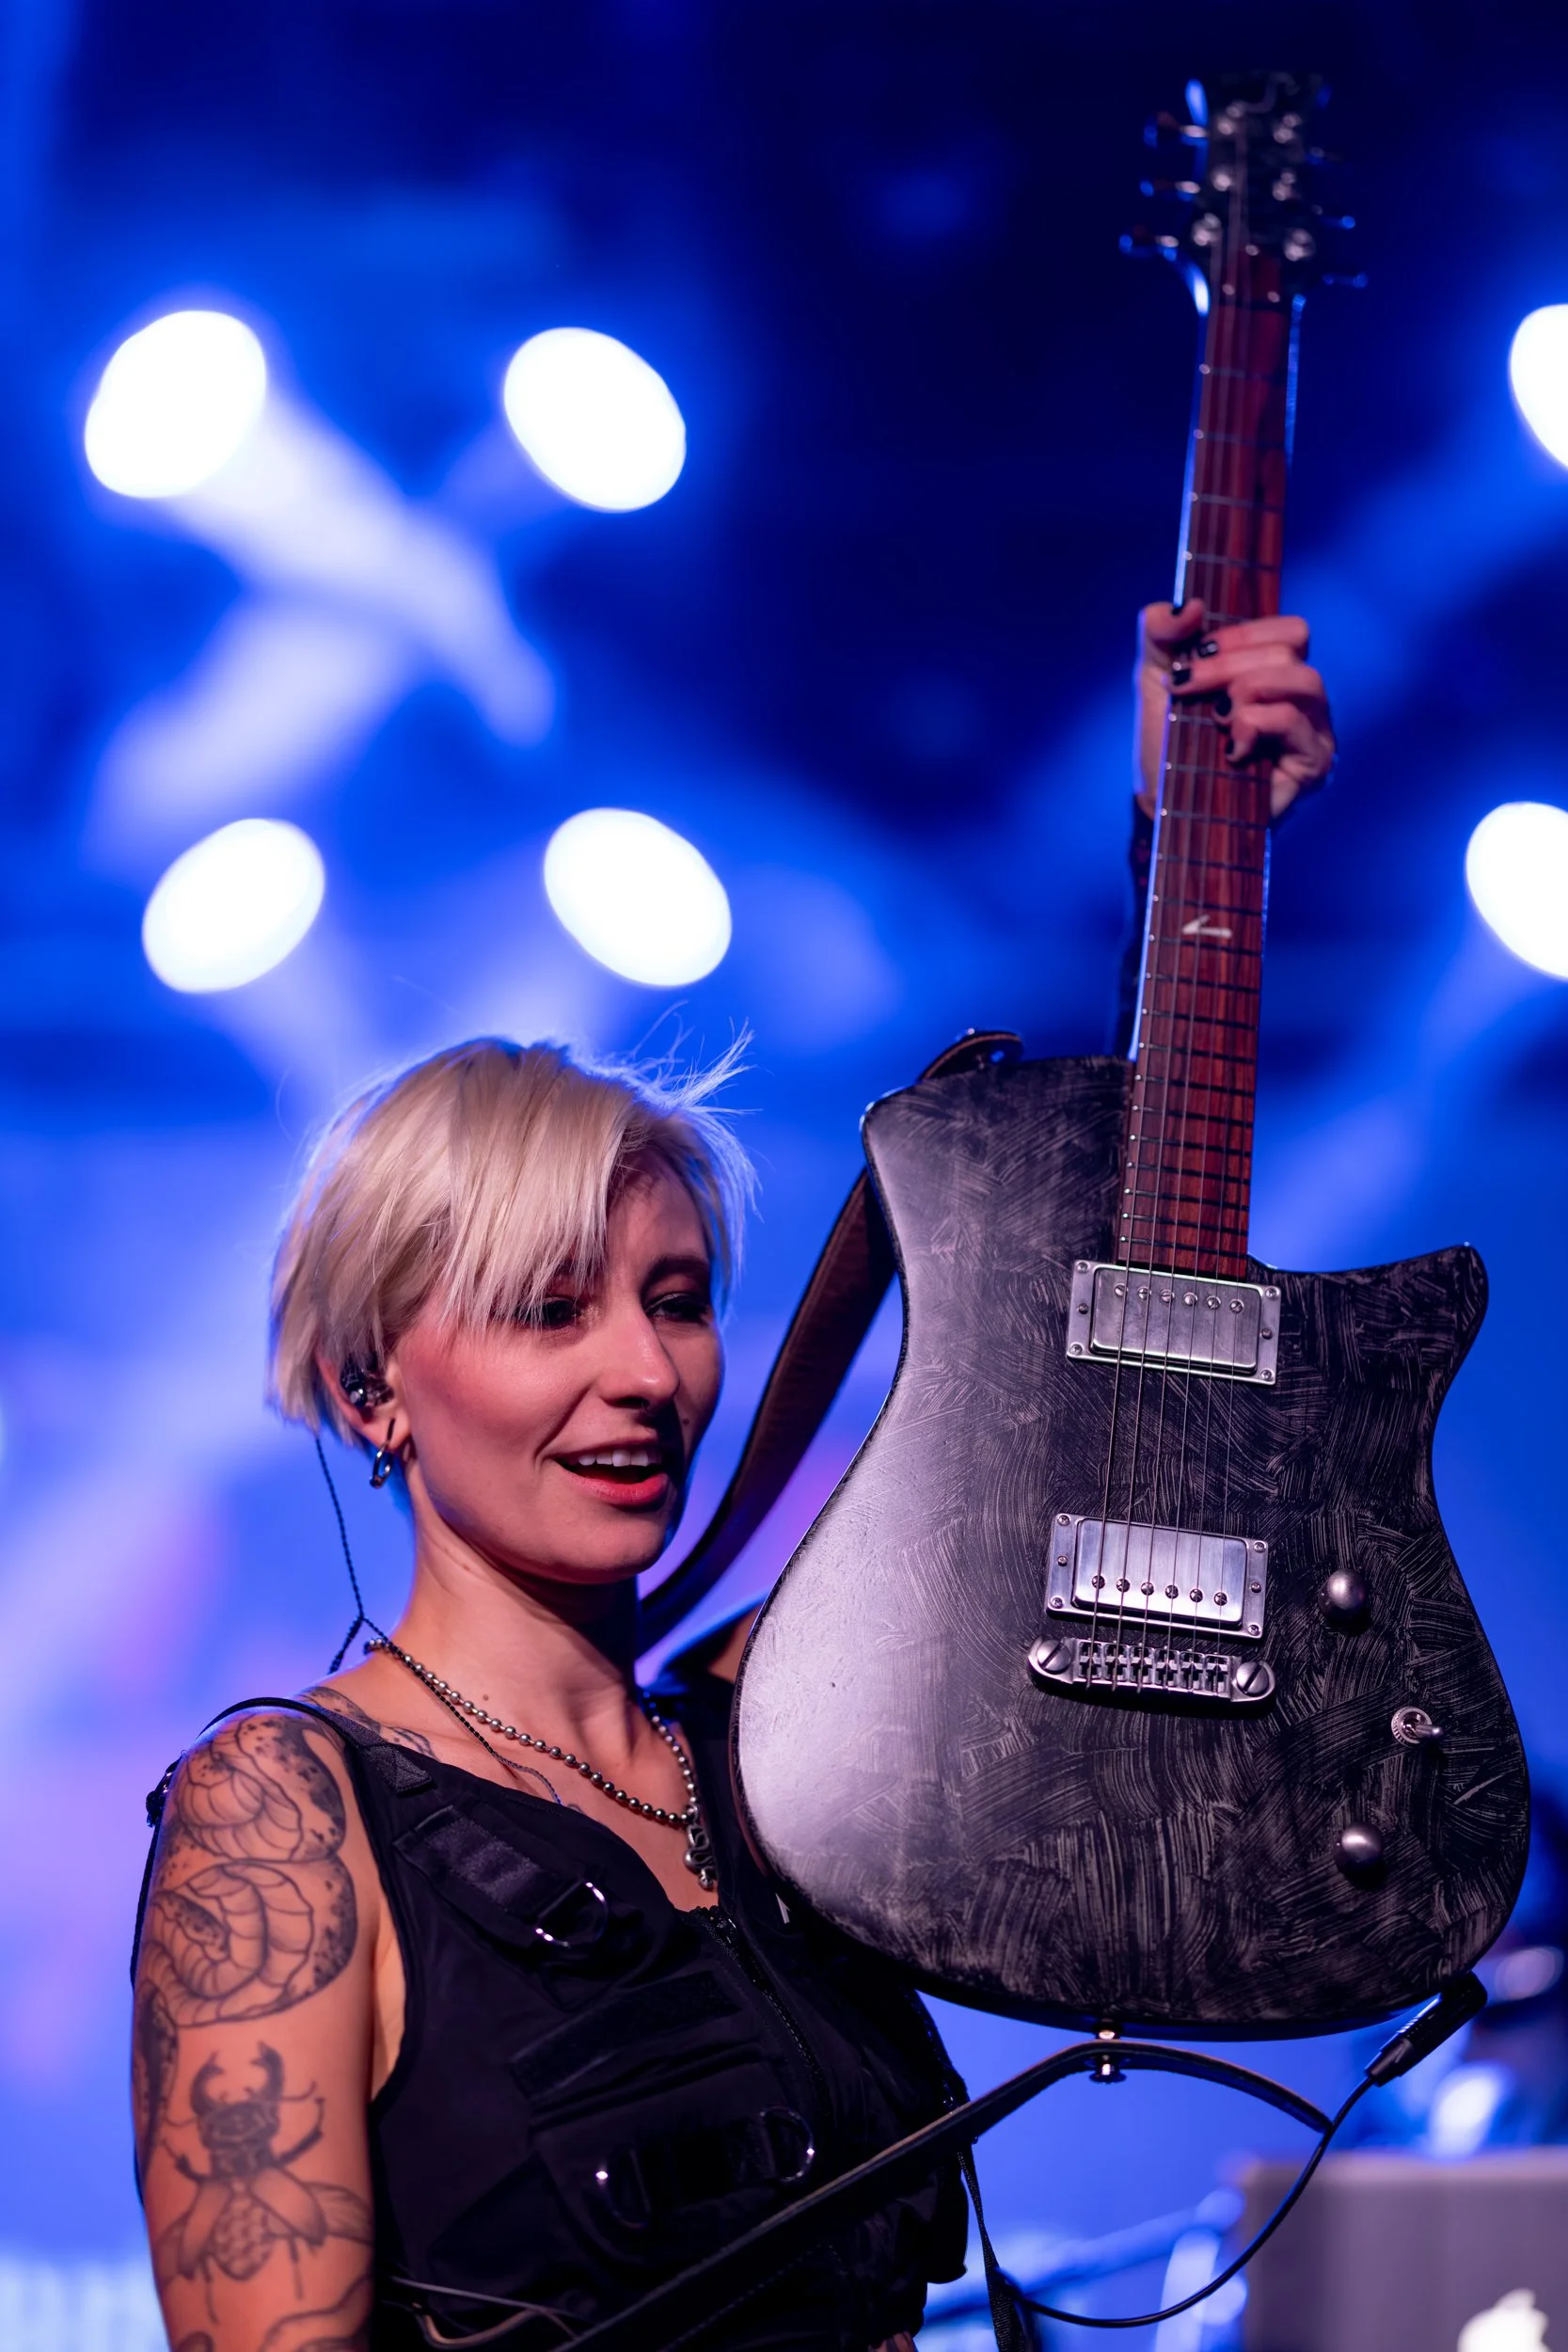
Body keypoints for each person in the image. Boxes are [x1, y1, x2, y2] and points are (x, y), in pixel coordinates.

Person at [131, 600, 1336, 2352]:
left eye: (678, 1299)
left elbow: (1114, 1454)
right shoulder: (282, 1814)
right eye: (551, 1308)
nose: (644, 1369)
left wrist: (1192, 855)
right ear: (368, 1388)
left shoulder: (781, 1736)